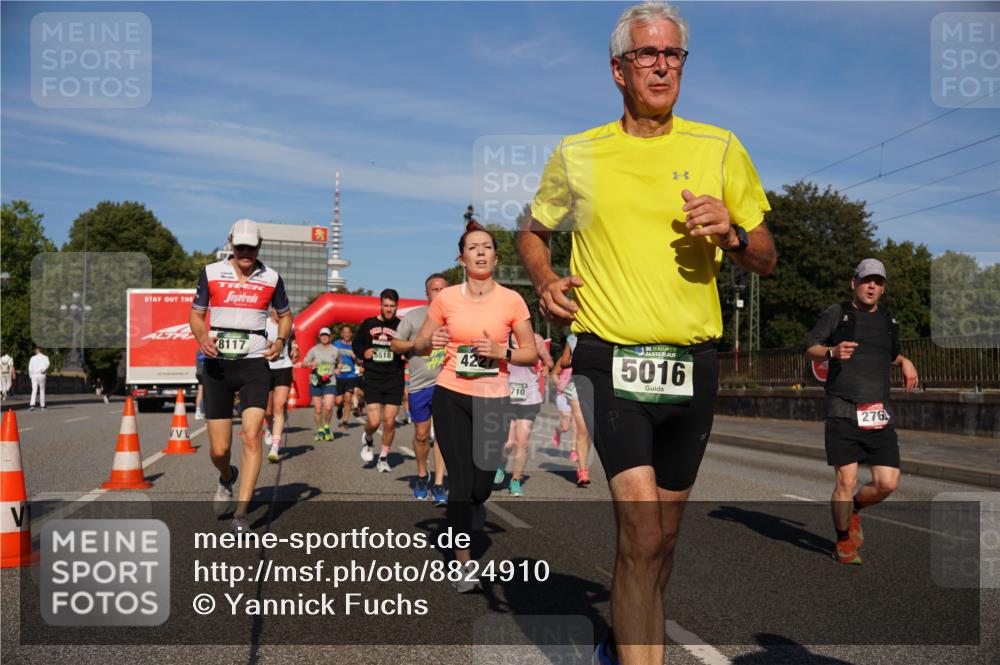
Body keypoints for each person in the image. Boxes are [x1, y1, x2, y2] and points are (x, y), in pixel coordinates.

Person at [516, 3, 776, 661]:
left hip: (692, 361)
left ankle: (625, 636)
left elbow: (767, 254)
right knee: (639, 526)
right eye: (647, 54)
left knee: (662, 540)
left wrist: (736, 233)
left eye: (673, 54)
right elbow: (530, 231)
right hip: (610, 356)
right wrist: (545, 280)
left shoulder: (719, 146)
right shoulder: (578, 152)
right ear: (618, 70)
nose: (662, 65)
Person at [414, 220, 538, 592]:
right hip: (450, 394)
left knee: (482, 486)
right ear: (462, 258)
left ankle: (475, 505)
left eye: (486, 247)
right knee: (461, 484)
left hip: (493, 398)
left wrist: (504, 352)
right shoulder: (446, 298)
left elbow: (531, 353)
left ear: (496, 258)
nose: (481, 251)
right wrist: (430, 340)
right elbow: (420, 345)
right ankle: (463, 564)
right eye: (473, 247)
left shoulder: (512, 301)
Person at [805, 258, 919, 565]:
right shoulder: (837, 313)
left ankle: (854, 509)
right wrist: (831, 351)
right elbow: (810, 346)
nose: (872, 286)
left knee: (888, 482)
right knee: (846, 480)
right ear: (854, 283)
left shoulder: (888, 321)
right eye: (867, 280)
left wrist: (905, 361)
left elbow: (889, 354)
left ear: (882, 289)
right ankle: (843, 543)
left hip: (877, 411)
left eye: (878, 282)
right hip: (842, 408)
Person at [189, 219, 292, 533]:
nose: (246, 253)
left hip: (253, 365)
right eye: (240, 247)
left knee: (251, 437)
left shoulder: (271, 278)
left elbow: (286, 317)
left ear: (260, 245)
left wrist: (279, 341)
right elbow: (196, 314)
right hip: (219, 365)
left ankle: (242, 515)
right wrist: (202, 337)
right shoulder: (210, 272)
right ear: (231, 244)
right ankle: (226, 477)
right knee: (219, 450)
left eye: (252, 247)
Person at [391, 273, 450, 503]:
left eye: (444, 289)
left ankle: (439, 483)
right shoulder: (414, 316)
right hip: (419, 385)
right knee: (421, 434)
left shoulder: (456, 316)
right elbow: (395, 345)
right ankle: (422, 475)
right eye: (435, 289)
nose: (439, 293)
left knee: (443, 436)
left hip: (447, 384)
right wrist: (416, 344)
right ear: (427, 293)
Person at [354, 289, 406, 472]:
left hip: (394, 377)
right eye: (386, 305)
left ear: (397, 306)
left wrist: (404, 354)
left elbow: (409, 345)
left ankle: (383, 457)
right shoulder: (369, 323)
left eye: (392, 306)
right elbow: (356, 344)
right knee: (375, 422)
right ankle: (368, 438)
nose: (389, 309)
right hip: (373, 377)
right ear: (381, 305)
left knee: (390, 422)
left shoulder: (401, 325)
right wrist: (364, 353)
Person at [496, 332, 553, 496]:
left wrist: (547, 366)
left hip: (529, 397)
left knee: (522, 442)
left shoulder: (535, 339)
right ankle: (500, 465)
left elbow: (547, 358)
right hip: (507, 395)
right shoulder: (502, 337)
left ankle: (515, 480)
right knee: (507, 443)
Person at [550, 334, 594, 486]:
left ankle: (582, 462)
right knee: (581, 429)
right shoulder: (573, 339)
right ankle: (583, 471)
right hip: (577, 387)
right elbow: (563, 363)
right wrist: (578, 360)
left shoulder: (605, 334)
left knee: (589, 431)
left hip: (598, 388)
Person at [264, 307, 295, 462]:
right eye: (276, 310)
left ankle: (275, 447)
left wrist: (295, 348)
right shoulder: (263, 324)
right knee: (267, 410)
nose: (279, 314)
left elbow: (294, 340)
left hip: (284, 367)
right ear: (271, 310)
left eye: (281, 311)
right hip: (265, 368)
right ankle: (270, 428)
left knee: (278, 407)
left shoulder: (289, 324)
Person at [304, 328, 338, 442]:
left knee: (328, 406)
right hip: (316, 381)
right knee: (318, 409)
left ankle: (327, 427)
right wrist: (310, 363)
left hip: (330, 381)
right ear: (319, 336)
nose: (324, 337)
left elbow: (341, 362)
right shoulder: (314, 350)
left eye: (326, 335)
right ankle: (319, 429)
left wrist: (339, 369)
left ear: (330, 337)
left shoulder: (335, 350)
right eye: (322, 335)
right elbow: (304, 363)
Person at [334, 325, 359, 432]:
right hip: (339, 376)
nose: (347, 334)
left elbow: (359, 362)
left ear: (351, 334)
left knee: (348, 398)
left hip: (351, 375)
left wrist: (355, 357)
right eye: (344, 332)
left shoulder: (355, 345)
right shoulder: (336, 344)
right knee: (339, 401)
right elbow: (330, 356)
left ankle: (345, 421)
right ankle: (339, 408)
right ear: (342, 334)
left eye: (348, 332)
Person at [28, 346, 50, 411]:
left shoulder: (32, 358)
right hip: (42, 374)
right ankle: (42, 406)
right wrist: (43, 370)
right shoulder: (45, 357)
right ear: (41, 350)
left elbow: (30, 368)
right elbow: (48, 364)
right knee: (42, 390)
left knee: (34, 390)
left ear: (36, 350)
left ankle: (32, 405)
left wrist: (31, 376)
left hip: (34, 375)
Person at [194, 349, 207, 420]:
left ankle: (198, 411)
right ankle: (201, 411)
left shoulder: (198, 351)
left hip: (199, 373)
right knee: (204, 392)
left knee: (200, 392)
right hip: (204, 373)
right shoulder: (204, 351)